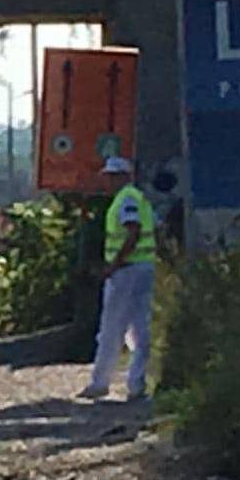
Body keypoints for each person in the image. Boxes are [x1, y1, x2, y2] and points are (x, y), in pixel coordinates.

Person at [78, 156, 157, 401]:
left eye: (112, 176)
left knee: (111, 328)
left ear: (124, 177)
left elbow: (132, 232)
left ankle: (100, 383)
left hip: (126, 272)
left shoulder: (127, 200)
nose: (108, 181)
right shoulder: (139, 198)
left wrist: (113, 265)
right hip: (142, 268)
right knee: (140, 328)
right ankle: (136, 385)